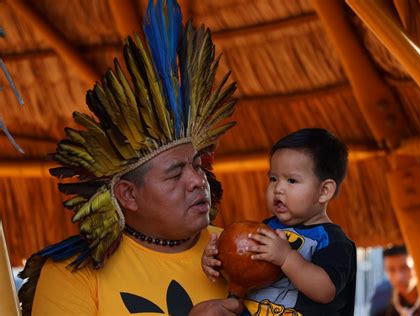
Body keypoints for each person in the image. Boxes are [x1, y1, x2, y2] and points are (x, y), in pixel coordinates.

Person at [17, 0, 242, 315]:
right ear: (127, 194)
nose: (197, 181)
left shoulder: (241, 249)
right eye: (175, 174)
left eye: (196, 165)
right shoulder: (72, 274)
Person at [203, 128, 357, 315]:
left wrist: (286, 258)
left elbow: (325, 291)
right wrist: (217, 261)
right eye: (273, 179)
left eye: (291, 180)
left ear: (324, 191)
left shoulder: (332, 240)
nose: (278, 188)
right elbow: (242, 269)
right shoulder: (266, 228)